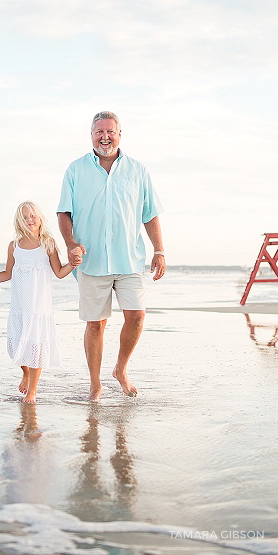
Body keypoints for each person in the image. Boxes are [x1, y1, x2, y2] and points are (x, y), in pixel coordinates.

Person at [57, 111, 165, 401]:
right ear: (91, 135)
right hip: (91, 261)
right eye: (99, 132)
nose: (105, 137)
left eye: (110, 132)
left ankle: (120, 368)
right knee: (96, 324)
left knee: (137, 317)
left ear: (120, 134)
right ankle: (95, 383)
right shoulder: (75, 170)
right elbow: (64, 212)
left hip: (129, 258)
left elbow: (150, 214)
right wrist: (70, 244)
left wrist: (159, 250)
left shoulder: (137, 170)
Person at [0, 201, 75, 403]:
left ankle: (32, 391)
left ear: (40, 218)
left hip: (39, 307)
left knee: (35, 349)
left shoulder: (48, 244)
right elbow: (7, 273)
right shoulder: (14, 246)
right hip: (19, 306)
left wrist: (72, 265)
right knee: (15, 348)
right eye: (25, 217)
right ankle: (25, 372)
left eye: (33, 215)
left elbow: (58, 273)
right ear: (18, 221)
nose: (29, 220)